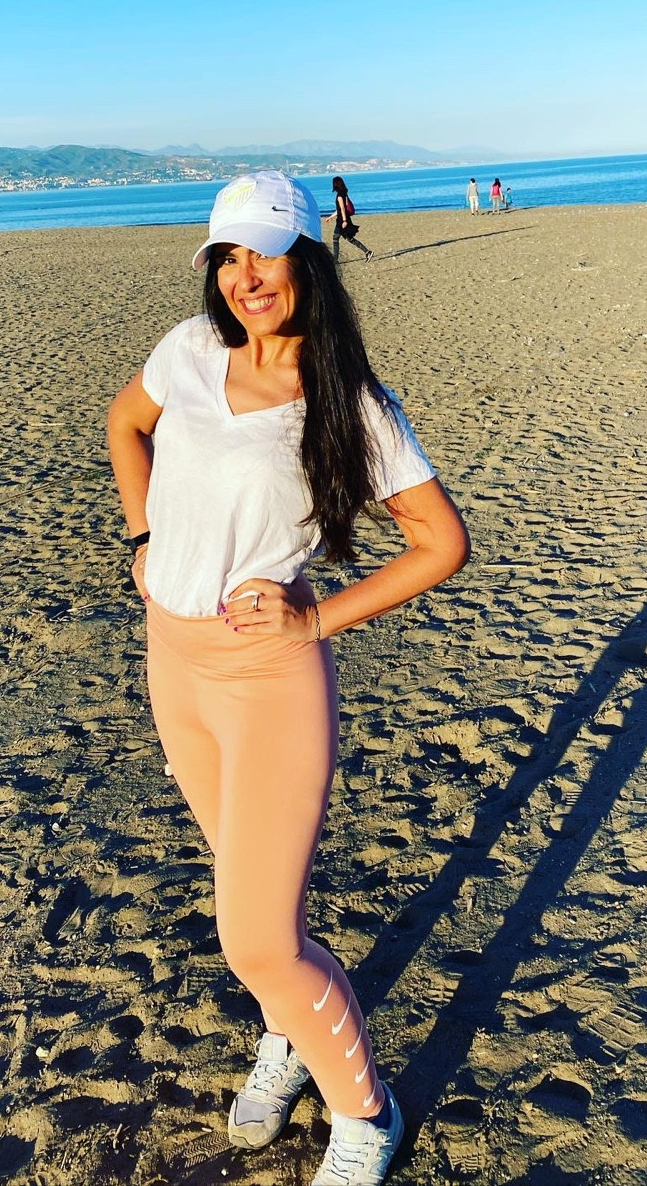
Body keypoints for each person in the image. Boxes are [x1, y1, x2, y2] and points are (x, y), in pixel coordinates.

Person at [107, 170, 469, 1185]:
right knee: (249, 889)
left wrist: (314, 616)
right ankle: (289, 1035)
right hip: (174, 662)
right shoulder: (188, 350)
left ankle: (367, 1113)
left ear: (309, 258)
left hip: (269, 680)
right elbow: (123, 424)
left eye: (265, 252)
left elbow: (441, 543)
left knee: (257, 936)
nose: (246, 275)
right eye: (227, 256)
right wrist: (142, 537)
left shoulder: (348, 401)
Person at [331, 175, 374, 264]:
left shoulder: (339, 196)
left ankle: (335, 259)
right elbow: (339, 209)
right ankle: (367, 252)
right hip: (343, 219)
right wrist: (330, 217)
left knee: (337, 238)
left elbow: (342, 209)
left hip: (341, 220)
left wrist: (344, 221)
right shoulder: (344, 193)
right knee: (347, 238)